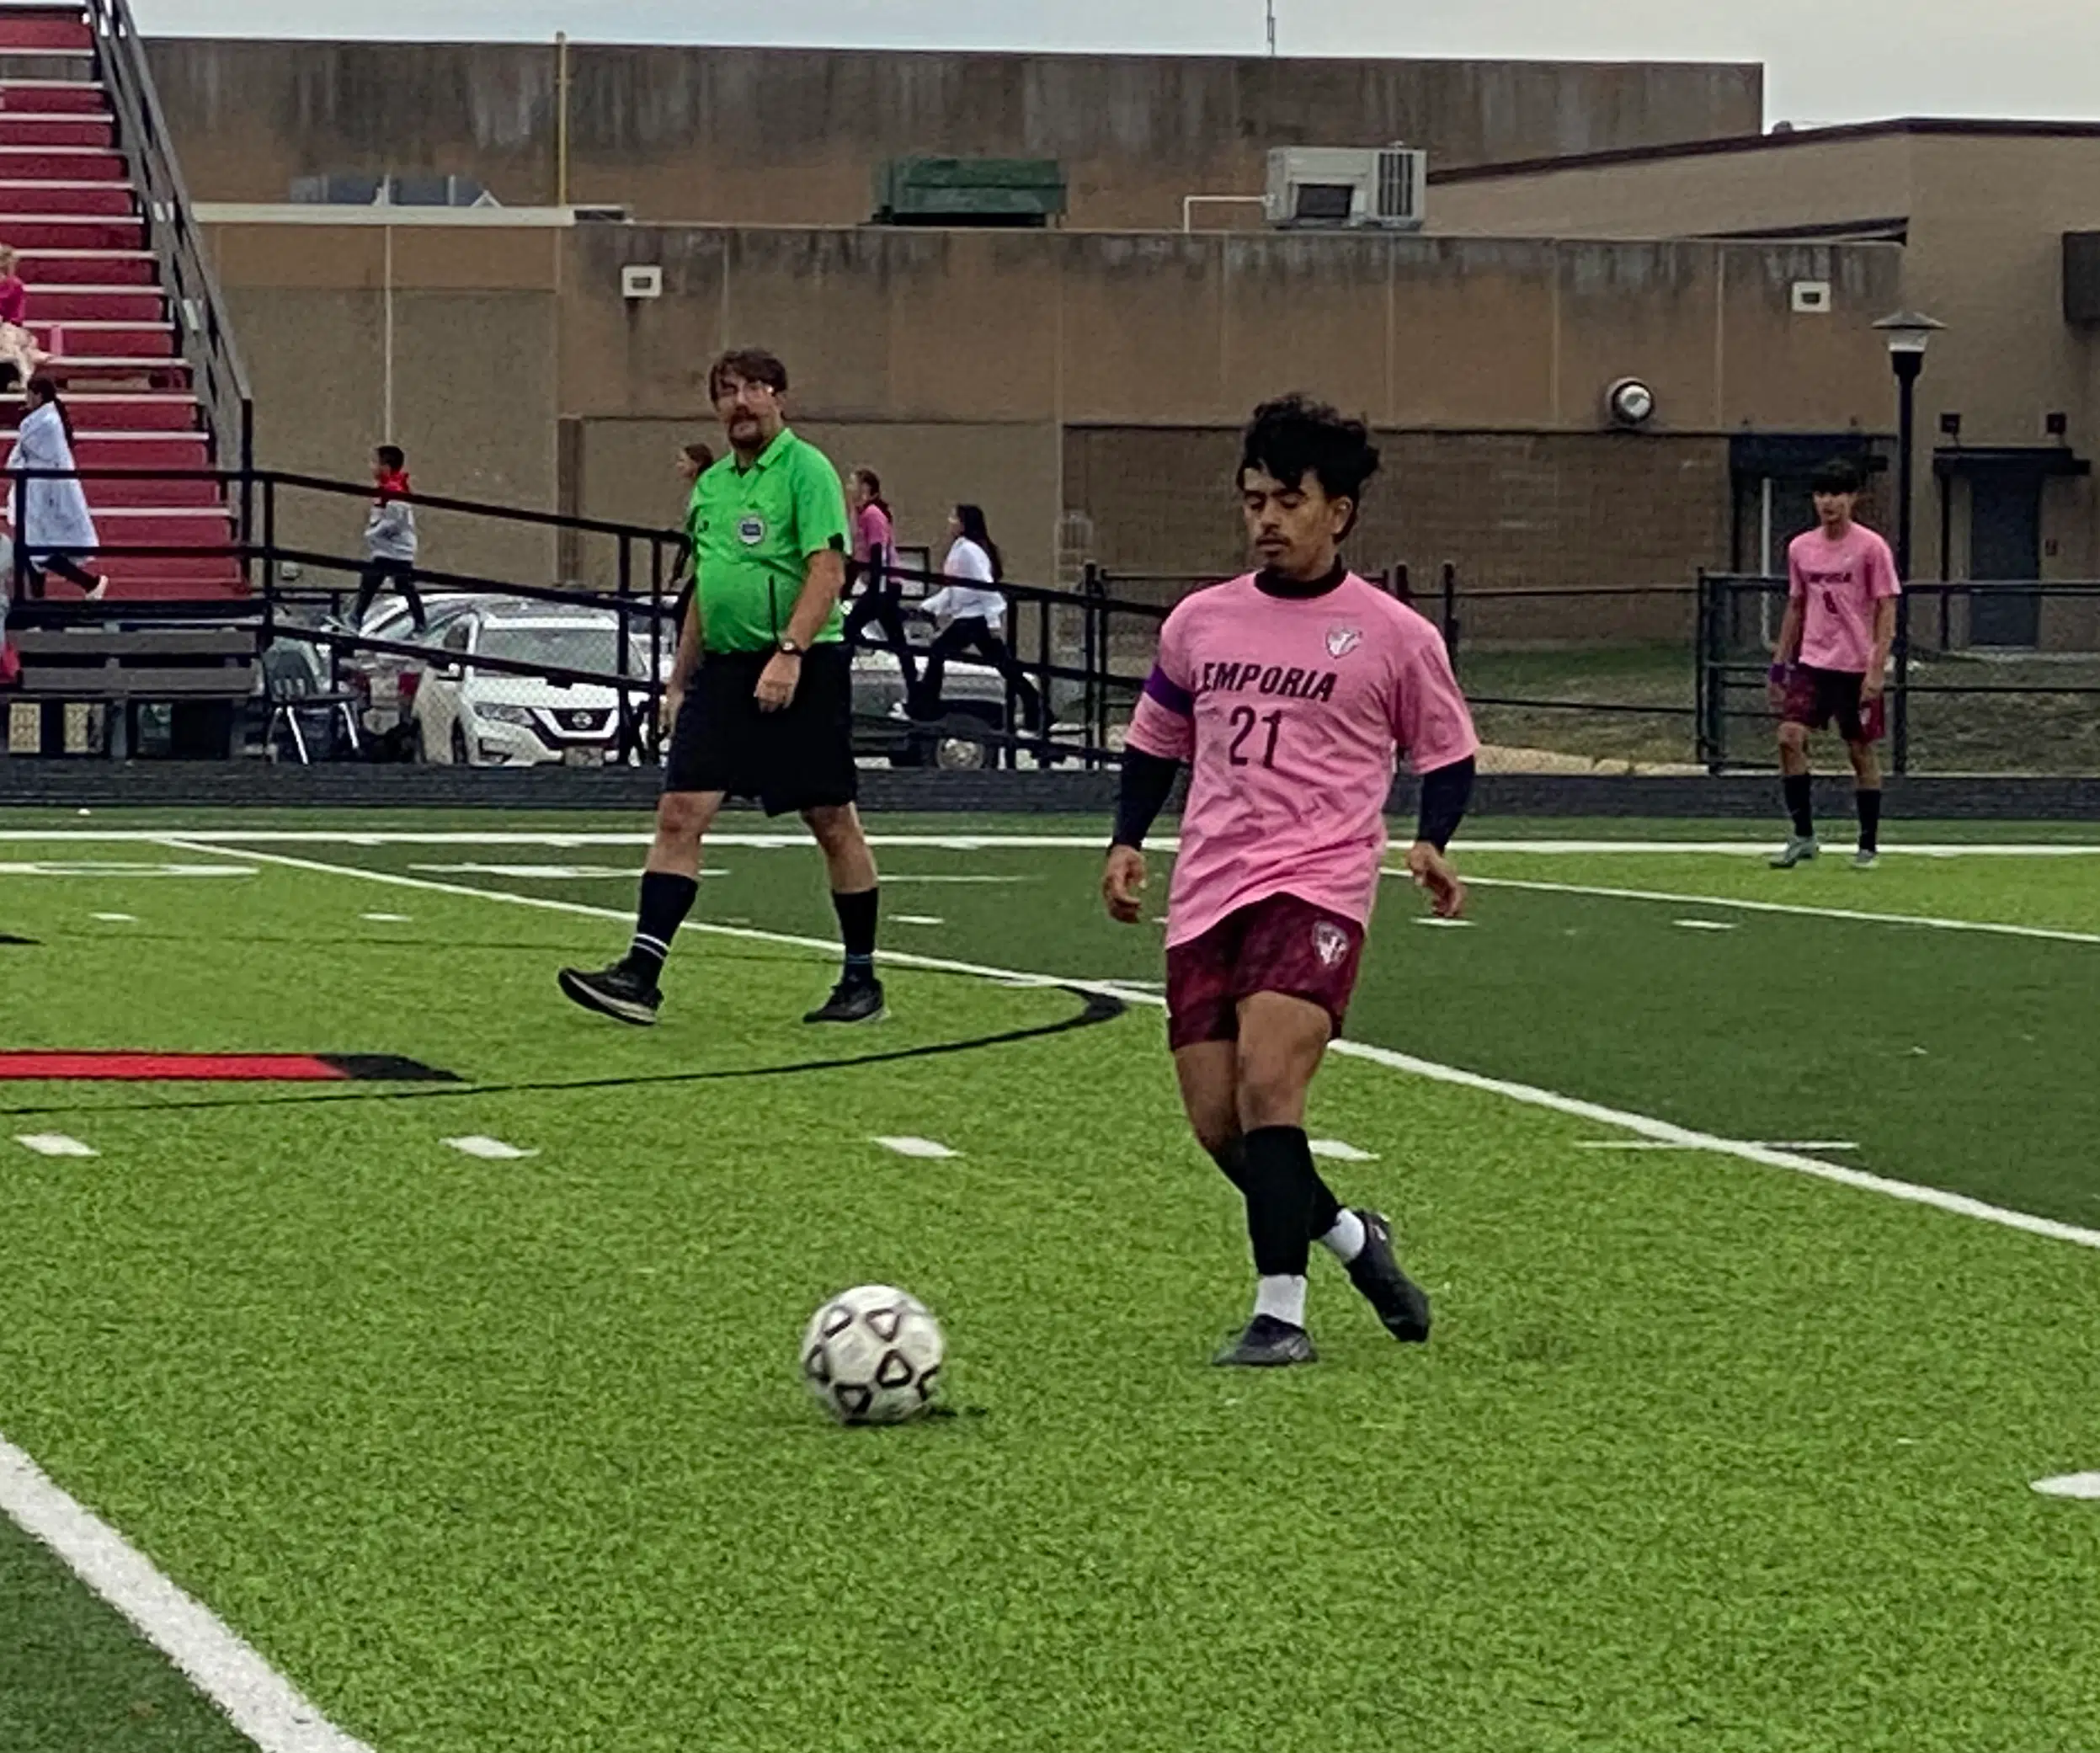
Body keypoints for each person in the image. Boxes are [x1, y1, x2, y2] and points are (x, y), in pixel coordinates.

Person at [1102, 393, 1479, 1368]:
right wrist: (1125, 839)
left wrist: (1433, 840)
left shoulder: (1394, 636)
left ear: (1338, 511)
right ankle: (1357, 1240)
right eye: (1253, 500)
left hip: (1316, 885)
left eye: (1288, 500)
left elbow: (1447, 753)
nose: (1267, 518)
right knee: (1219, 1125)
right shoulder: (1199, 622)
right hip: (1207, 891)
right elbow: (1154, 741)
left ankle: (1281, 1316)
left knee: (1271, 1085)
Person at [558, 347, 885, 1027]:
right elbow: (705, 588)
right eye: (727, 391)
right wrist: (680, 681)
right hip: (726, 671)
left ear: (780, 398)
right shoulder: (711, 488)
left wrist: (790, 654)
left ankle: (861, 981)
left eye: (755, 389)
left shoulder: (807, 470)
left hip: (803, 665)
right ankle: (640, 976)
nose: (740, 401)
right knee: (680, 812)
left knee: (830, 818)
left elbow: (828, 570)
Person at [1768, 457, 1900, 871]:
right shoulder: (1800, 548)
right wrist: (1780, 663)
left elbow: (1885, 607)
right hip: (1813, 661)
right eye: (1822, 494)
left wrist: (1877, 667)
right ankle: (1803, 835)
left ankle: (1867, 842)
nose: (1829, 503)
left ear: (1854, 498)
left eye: (1837, 494)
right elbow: (1796, 605)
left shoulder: (1871, 548)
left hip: (1856, 664)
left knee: (1859, 750)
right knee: (1789, 737)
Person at [911, 504, 1042, 732]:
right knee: (1004, 665)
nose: (949, 521)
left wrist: (993, 621)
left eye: (954, 517)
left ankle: (927, 705)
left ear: (963, 523)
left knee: (938, 651)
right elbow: (955, 589)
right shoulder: (960, 549)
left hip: (975, 617)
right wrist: (929, 607)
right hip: (970, 615)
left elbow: (984, 586)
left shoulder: (969, 550)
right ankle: (1037, 708)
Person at [5, 376, 104, 600]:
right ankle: (38, 602)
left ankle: (88, 582)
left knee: (35, 549)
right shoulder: (43, 420)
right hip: (37, 491)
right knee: (30, 547)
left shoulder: (45, 423)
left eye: (29, 394)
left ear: (37, 395)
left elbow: (21, 454)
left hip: (43, 492)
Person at [840, 466, 917, 689]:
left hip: (884, 584)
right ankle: (914, 686)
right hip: (880, 584)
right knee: (897, 638)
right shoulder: (859, 513)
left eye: (852, 483)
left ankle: (840, 683)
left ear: (865, 487)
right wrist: (845, 591)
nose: (848, 487)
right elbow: (857, 555)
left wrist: (876, 586)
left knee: (849, 629)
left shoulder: (873, 514)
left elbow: (878, 551)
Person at [354, 445, 424, 632]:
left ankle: (356, 617)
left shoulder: (394, 489)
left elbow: (393, 522)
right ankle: (419, 622)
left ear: (386, 466)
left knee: (373, 579)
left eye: (374, 462)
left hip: (395, 550)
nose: (371, 467)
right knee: (401, 584)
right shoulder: (386, 488)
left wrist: (373, 533)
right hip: (390, 549)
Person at [0, 245, 48, 390]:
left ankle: (14, 378)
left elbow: (16, 316)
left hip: (8, 327)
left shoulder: (15, 285)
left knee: (9, 339)